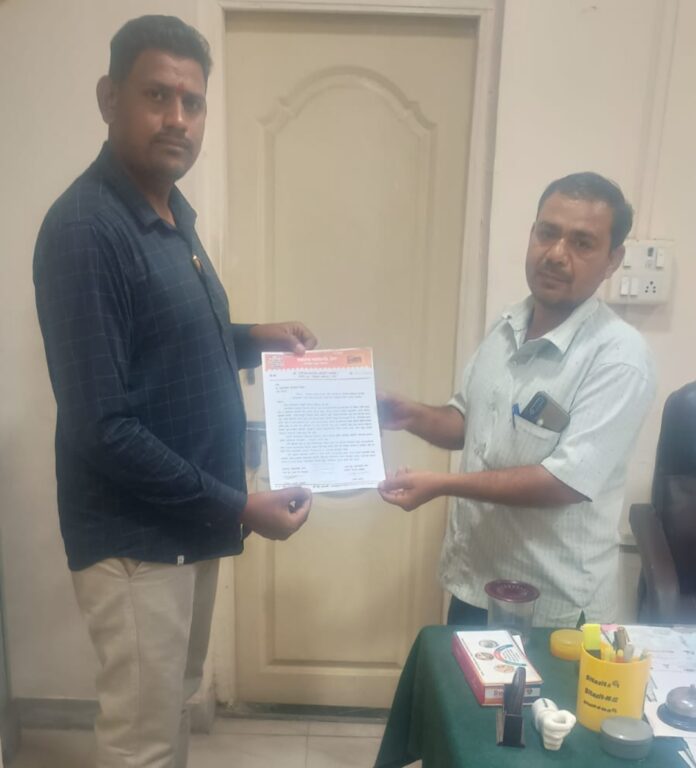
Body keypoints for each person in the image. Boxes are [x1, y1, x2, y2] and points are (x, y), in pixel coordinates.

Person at [33, 15, 315, 768]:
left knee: (169, 709)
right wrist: (240, 506)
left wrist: (255, 338)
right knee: (142, 742)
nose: (178, 119)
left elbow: (168, 345)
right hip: (136, 541)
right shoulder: (87, 230)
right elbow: (103, 426)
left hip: (187, 522)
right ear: (109, 98)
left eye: (193, 102)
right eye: (157, 96)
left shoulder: (169, 212)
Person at [378, 172, 656, 628]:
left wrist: (442, 484)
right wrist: (410, 415)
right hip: (474, 583)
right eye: (547, 232)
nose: (556, 254)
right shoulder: (506, 327)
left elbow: (563, 482)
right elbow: (467, 423)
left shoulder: (619, 357)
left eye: (582, 242)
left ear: (613, 260)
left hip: (553, 612)